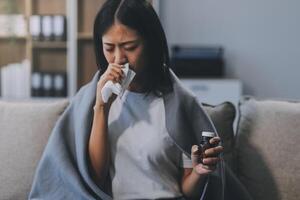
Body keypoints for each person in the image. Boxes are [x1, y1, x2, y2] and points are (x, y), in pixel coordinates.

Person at [89, 0, 223, 199]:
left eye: (130, 47)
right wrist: (101, 108)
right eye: (109, 48)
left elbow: (187, 191)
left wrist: (199, 171)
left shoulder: (179, 103)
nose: (118, 59)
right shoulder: (95, 96)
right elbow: (95, 177)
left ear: (151, 43)